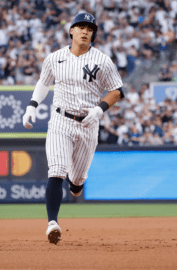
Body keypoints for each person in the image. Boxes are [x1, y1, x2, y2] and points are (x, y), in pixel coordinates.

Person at [22, 13, 124, 244]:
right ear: (71, 31)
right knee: (57, 169)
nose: (85, 31)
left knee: (76, 182)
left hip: (88, 124)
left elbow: (117, 90)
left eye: (89, 27)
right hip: (60, 120)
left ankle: (76, 184)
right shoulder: (55, 58)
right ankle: (52, 224)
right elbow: (43, 82)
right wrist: (32, 106)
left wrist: (99, 109)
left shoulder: (103, 60)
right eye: (80, 26)